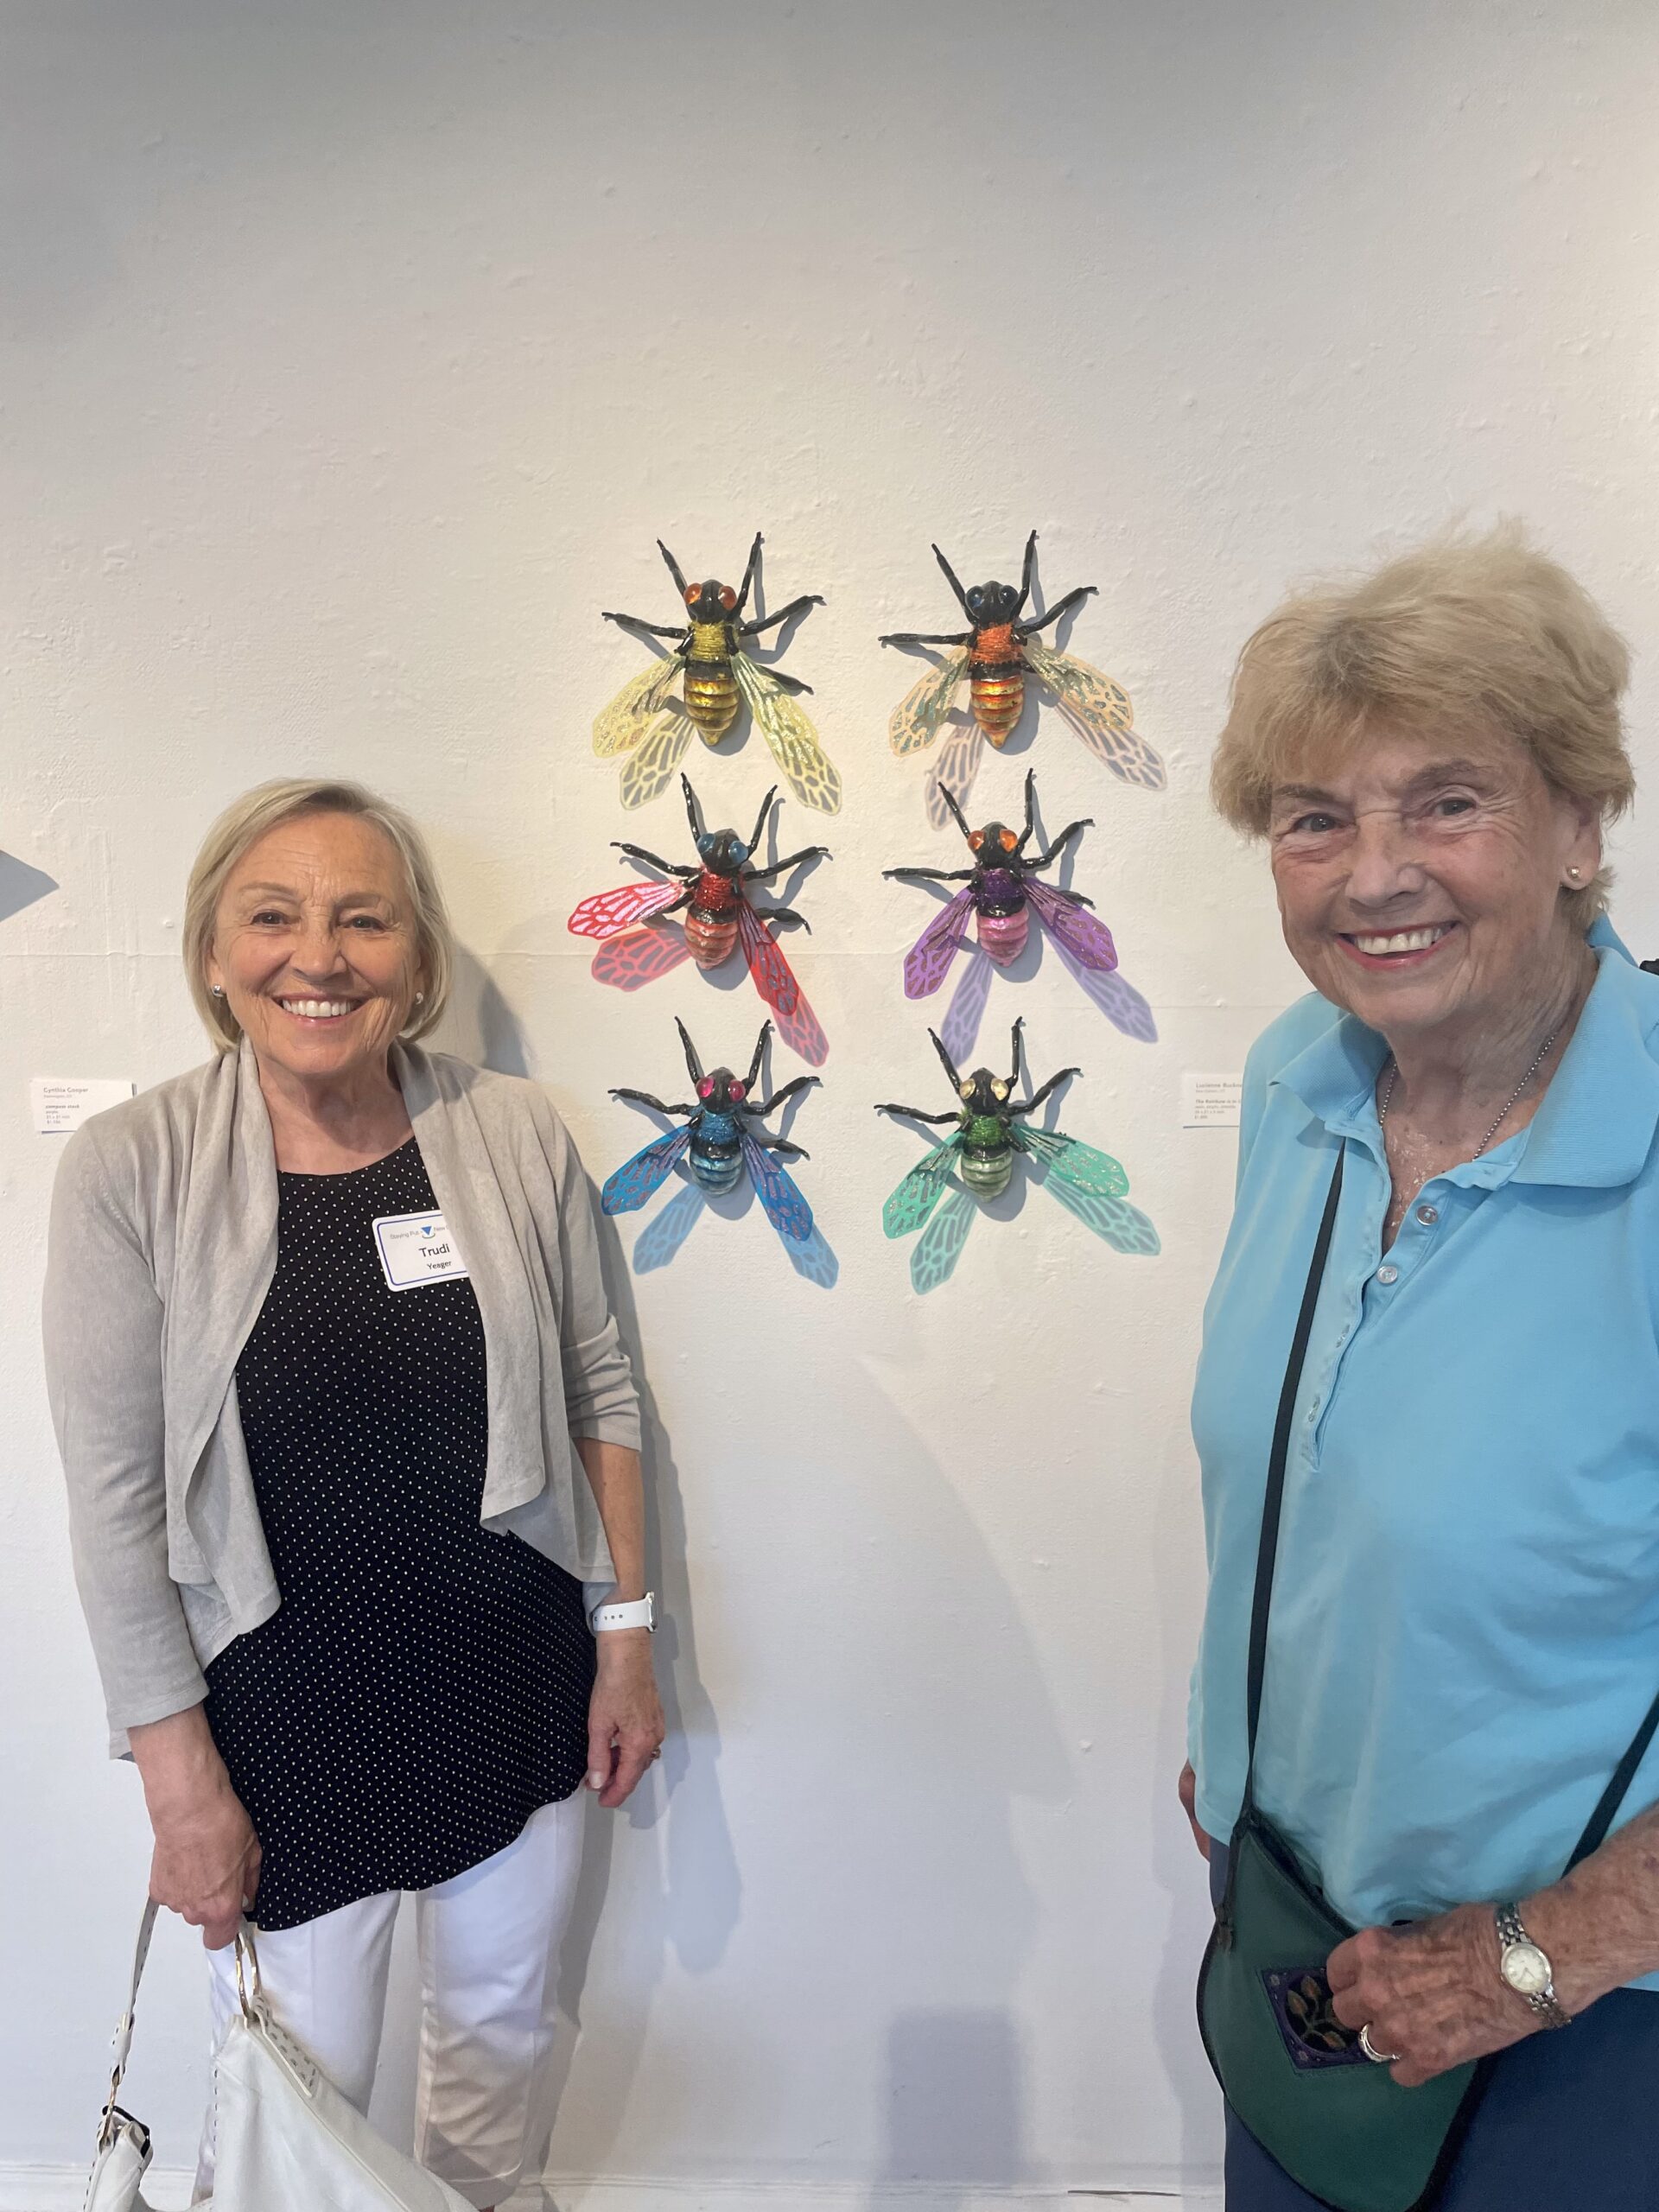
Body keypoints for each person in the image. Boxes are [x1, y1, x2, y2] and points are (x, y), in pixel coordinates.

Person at [44, 778, 665, 2211]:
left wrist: (626, 1638)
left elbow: (599, 1389)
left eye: (363, 919)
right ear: (214, 950)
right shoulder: (132, 1168)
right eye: (272, 916)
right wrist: (180, 1785)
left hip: (513, 1690)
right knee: (296, 2109)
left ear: (417, 956)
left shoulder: (514, 1132)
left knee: (503, 2058)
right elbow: (115, 1502)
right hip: (277, 1726)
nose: (317, 957)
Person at [1182, 529, 1659, 2209]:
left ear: (1580, 825)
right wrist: (1240, 1743)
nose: (1373, 875)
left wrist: (1547, 1949)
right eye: (1315, 818)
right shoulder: (1298, 1085)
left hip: (1585, 2030)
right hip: (1302, 1958)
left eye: (1446, 803)